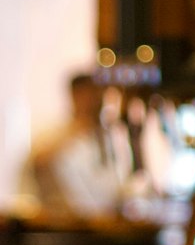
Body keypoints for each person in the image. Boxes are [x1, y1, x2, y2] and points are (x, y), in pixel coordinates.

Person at [18, 73, 134, 223]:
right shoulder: (53, 135)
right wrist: (72, 133)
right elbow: (37, 164)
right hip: (65, 227)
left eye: (96, 95)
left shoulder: (111, 138)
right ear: (74, 95)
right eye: (86, 95)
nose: (93, 102)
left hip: (105, 225)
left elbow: (118, 184)